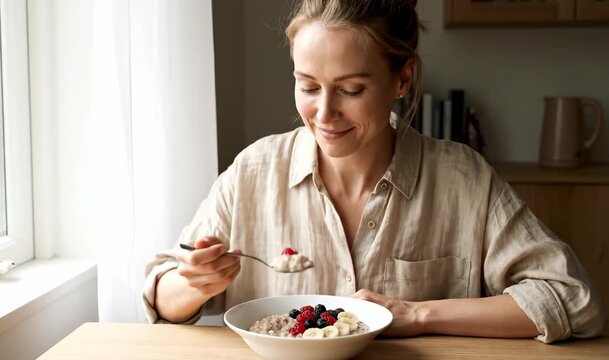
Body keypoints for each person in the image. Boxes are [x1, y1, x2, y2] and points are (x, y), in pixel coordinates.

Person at [143, 0, 605, 343]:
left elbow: (574, 301)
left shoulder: (462, 179)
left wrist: (415, 314)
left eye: (350, 89)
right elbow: (161, 297)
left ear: (401, 80)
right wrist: (192, 282)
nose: (324, 113)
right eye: (308, 86)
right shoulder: (253, 172)